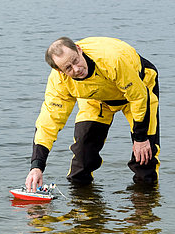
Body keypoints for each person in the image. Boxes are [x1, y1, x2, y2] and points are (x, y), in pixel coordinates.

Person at [25, 37, 160, 192]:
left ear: (79, 50)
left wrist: (140, 138)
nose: (76, 69)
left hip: (139, 90)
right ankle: (82, 207)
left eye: (76, 61)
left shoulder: (112, 59)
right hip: (96, 98)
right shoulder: (59, 83)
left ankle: (143, 207)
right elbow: (48, 122)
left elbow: (138, 97)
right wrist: (37, 166)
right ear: (59, 71)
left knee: (144, 156)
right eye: (68, 68)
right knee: (82, 155)